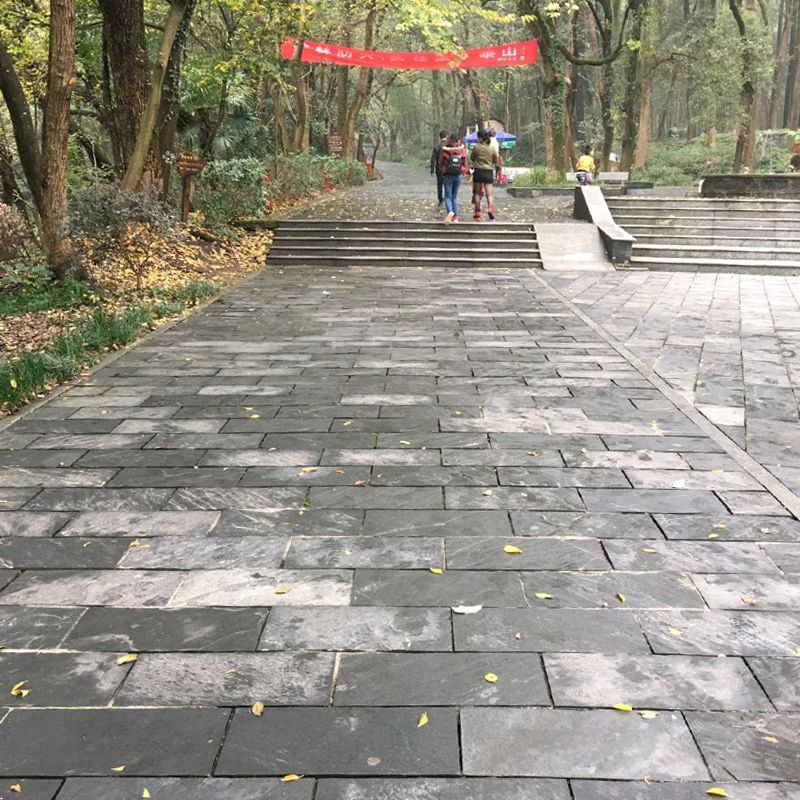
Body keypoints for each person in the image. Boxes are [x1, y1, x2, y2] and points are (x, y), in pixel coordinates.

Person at [470, 129, 499, 220]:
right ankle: (490, 208)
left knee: (477, 193)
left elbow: (472, 157)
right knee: (489, 194)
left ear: (480, 137)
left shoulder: (476, 147)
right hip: (488, 171)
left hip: (478, 171)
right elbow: (495, 159)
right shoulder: (492, 147)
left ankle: (478, 212)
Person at [439, 132, 468, 223]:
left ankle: (450, 212)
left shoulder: (445, 149)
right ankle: (455, 217)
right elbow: (465, 163)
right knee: (454, 196)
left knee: (448, 196)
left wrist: (442, 169)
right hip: (458, 175)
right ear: (458, 140)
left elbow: (440, 162)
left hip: (447, 175)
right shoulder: (462, 150)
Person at [430, 130, 448, 210]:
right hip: (448, 169)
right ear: (446, 136)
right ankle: (448, 199)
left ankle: (440, 200)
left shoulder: (437, 147)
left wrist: (432, 169)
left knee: (439, 184)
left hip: (439, 168)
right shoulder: (449, 146)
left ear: (440, 137)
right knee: (447, 184)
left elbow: (433, 159)